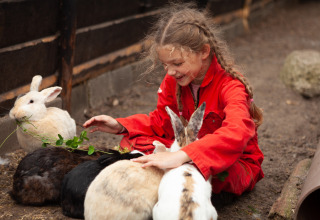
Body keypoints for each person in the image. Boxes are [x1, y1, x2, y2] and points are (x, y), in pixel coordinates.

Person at [83, 2, 264, 206]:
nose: (169, 72)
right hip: (187, 149)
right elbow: (161, 122)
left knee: (191, 170)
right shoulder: (174, 80)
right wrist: (121, 125)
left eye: (177, 63)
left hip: (232, 162)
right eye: (165, 65)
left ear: (204, 52)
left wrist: (183, 155)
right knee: (133, 144)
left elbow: (237, 133)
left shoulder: (230, 85)